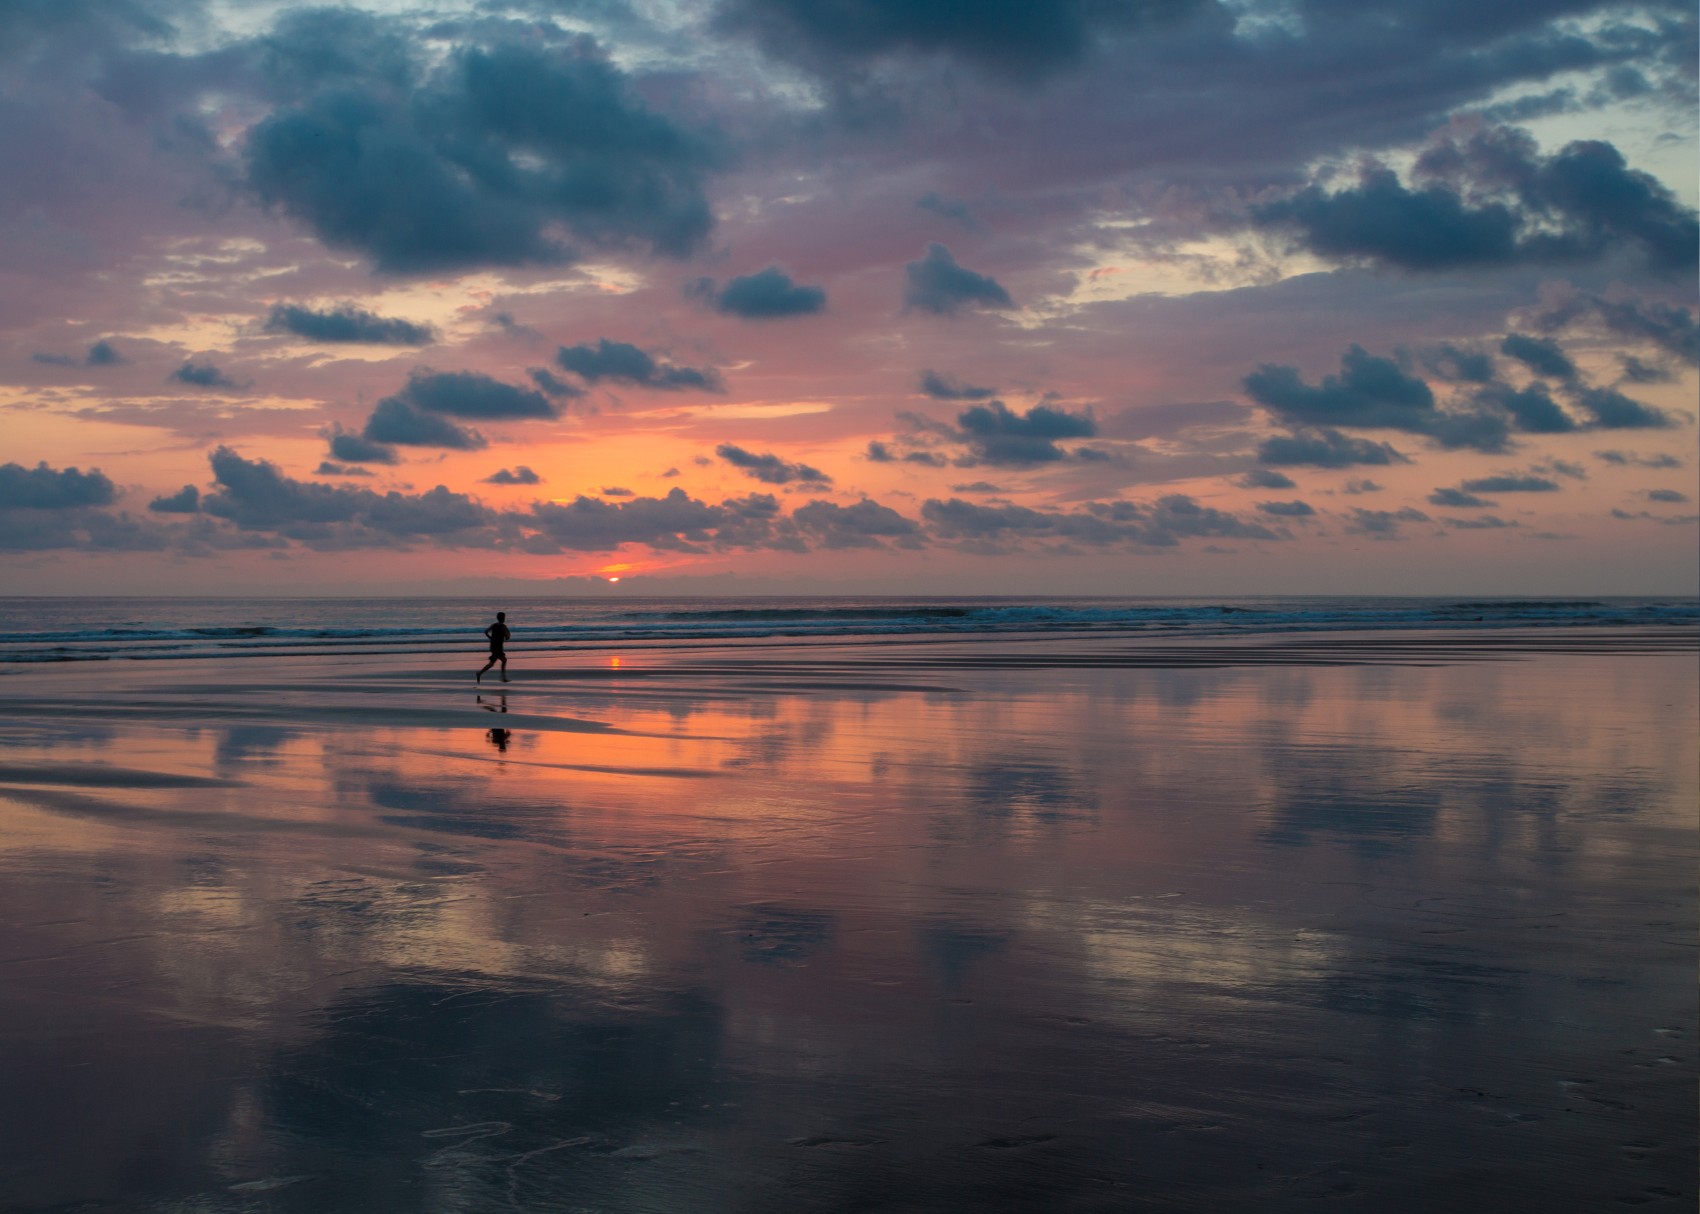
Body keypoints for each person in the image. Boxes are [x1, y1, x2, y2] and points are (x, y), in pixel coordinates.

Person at [476, 611, 510, 684]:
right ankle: (503, 677)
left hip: (493, 646)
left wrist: (490, 638)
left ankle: (480, 673)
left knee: (500, 661)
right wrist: (508, 633)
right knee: (498, 661)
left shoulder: (494, 625)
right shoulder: (503, 627)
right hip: (498, 647)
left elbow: (485, 631)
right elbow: (507, 637)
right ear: (503, 618)